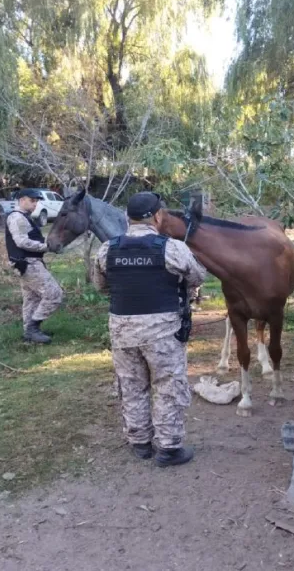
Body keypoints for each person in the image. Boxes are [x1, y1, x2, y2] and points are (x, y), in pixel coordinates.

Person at [91, 191, 207, 467]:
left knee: (131, 386)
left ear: (126, 217)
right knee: (167, 386)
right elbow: (198, 276)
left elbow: (100, 285)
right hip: (163, 332)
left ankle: (140, 443)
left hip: (123, 332)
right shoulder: (172, 248)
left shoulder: (107, 249)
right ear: (157, 216)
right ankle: (169, 448)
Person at [5, 188, 63, 344]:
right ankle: (33, 328)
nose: (35, 204)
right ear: (22, 200)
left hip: (26, 263)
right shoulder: (17, 217)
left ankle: (29, 332)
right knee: (54, 294)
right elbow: (21, 241)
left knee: (32, 298)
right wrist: (46, 247)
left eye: (36, 201)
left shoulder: (23, 217)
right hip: (28, 263)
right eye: (32, 201)